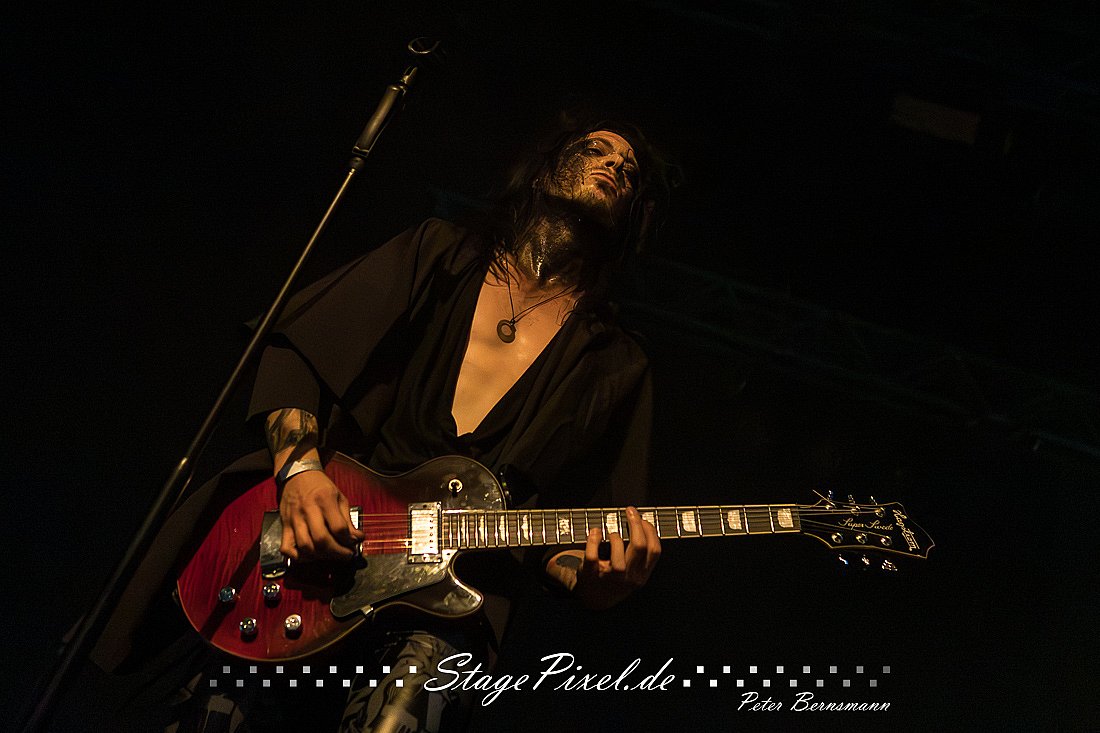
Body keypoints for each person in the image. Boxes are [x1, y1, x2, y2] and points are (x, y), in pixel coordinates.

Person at [91, 115, 676, 732]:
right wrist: (300, 474)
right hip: (320, 554)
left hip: (450, 610)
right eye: (596, 149)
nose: (616, 166)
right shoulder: (438, 254)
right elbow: (301, 350)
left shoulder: (615, 362)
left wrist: (601, 582)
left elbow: (565, 545)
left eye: (630, 171)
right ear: (543, 171)